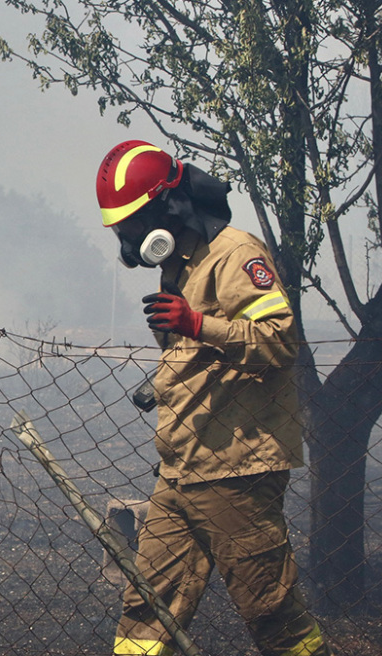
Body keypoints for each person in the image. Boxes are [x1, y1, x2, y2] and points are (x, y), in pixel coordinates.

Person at [97, 141, 331, 656]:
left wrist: (197, 323)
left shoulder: (235, 255)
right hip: (180, 468)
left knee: (272, 612)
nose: (126, 237)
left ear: (166, 209)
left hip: (236, 467)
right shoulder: (180, 263)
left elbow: (281, 340)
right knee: (147, 607)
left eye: (131, 223)